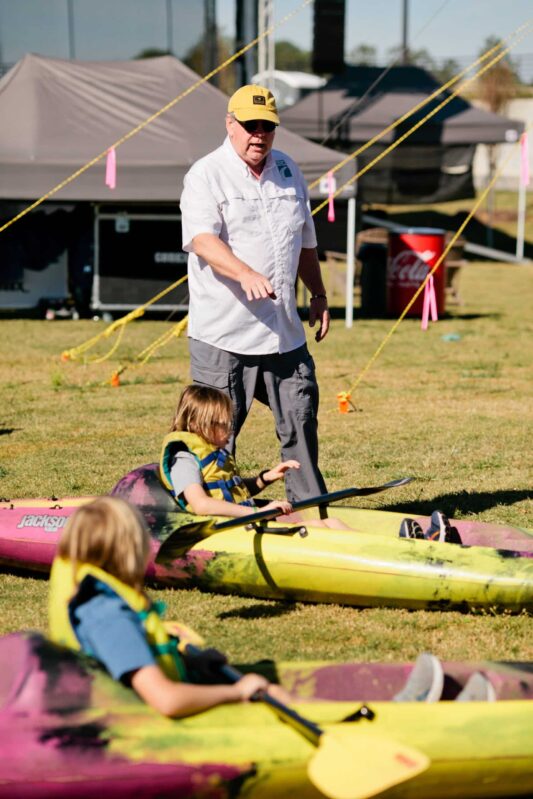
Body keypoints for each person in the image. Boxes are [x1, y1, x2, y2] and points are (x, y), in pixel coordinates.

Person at [179, 84, 330, 505]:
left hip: (284, 333)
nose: (258, 135)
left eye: (267, 126)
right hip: (224, 336)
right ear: (230, 124)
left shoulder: (289, 170)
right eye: (249, 125)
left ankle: (309, 510)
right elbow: (202, 239)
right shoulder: (206, 174)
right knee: (215, 435)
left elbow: (304, 240)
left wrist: (317, 294)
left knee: (301, 418)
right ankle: (215, 508)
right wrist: (244, 273)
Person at [48, 496, 288, 718]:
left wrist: (191, 664)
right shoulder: (107, 615)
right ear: (129, 550)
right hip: (134, 727)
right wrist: (238, 692)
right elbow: (166, 700)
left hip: (128, 709)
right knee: (278, 696)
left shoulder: (95, 601)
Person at [159, 384, 349, 528]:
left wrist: (264, 479)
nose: (229, 431)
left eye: (229, 424)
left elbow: (233, 491)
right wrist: (257, 512)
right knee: (317, 527)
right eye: (222, 425)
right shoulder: (184, 460)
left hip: (244, 522)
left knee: (332, 523)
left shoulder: (212, 452)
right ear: (196, 424)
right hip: (222, 530)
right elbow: (201, 505)